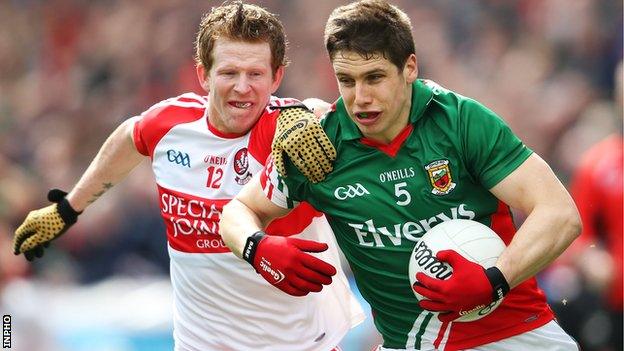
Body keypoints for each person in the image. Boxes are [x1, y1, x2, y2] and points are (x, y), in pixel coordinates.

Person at [220, 1, 582, 350]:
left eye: (374, 77)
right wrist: (258, 247)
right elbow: (237, 212)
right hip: (411, 344)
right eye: (346, 80)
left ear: (409, 68)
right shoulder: (319, 145)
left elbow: (559, 214)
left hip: (518, 335)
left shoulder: (460, 122)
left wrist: (495, 279)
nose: (360, 97)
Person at [12, 2, 364, 350]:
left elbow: (327, 115)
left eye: (255, 74)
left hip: (300, 345)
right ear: (203, 75)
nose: (242, 87)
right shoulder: (172, 124)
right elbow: (130, 137)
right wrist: (68, 208)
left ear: (276, 78)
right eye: (229, 73)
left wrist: (304, 111)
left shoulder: (289, 134)